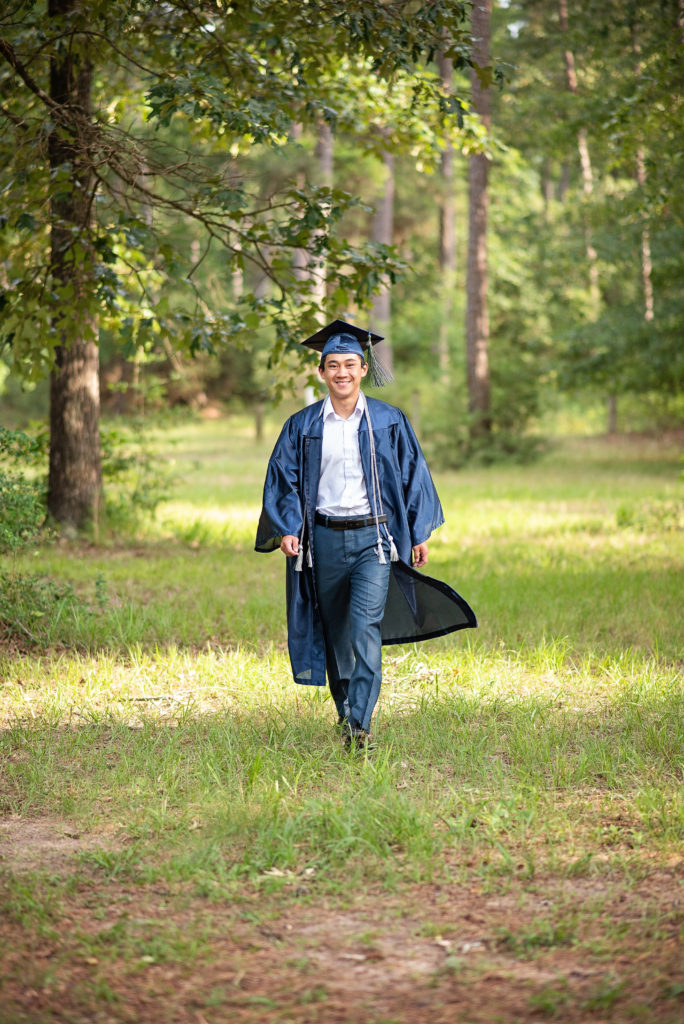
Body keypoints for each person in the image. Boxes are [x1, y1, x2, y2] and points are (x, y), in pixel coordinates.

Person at [255, 320, 476, 750]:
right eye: (333, 365)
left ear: (363, 369)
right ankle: (345, 712)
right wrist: (286, 529)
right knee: (336, 634)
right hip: (322, 542)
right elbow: (282, 479)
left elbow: (413, 476)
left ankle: (360, 725)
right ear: (321, 372)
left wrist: (417, 532)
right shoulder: (302, 425)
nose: (342, 372)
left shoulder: (388, 420)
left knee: (364, 629)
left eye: (350, 364)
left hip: (373, 540)